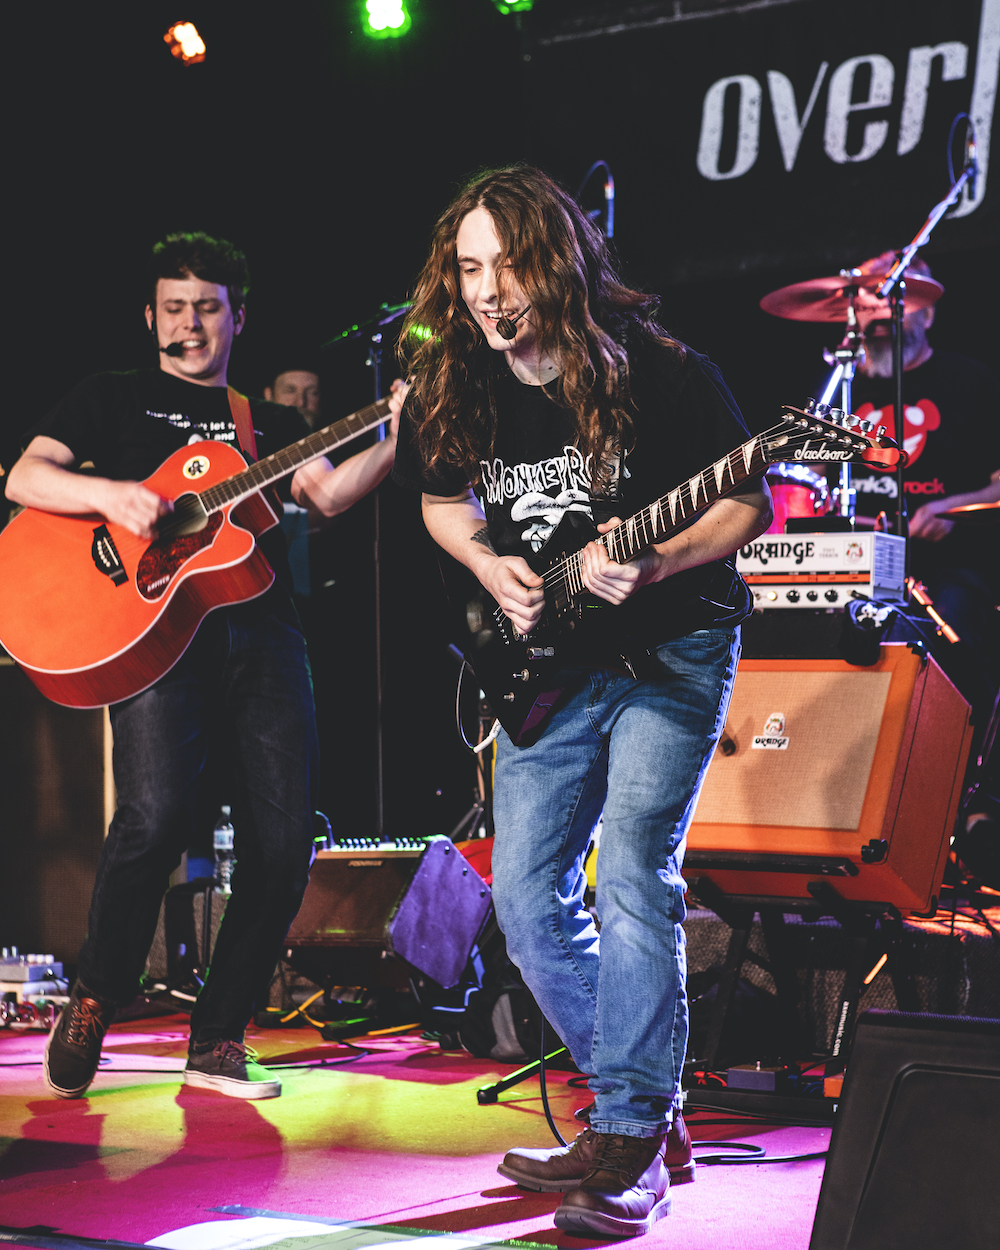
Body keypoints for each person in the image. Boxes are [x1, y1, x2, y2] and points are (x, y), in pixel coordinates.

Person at [390, 167, 772, 1238]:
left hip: (671, 648)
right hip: (548, 667)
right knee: (523, 899)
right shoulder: (454, 380)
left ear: (553, 264)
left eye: (507, 267)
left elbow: (747, 496)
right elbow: (436, 500)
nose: (487, 293)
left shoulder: (657, 368)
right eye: (468, 270)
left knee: (637, 873)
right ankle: (641, 1110)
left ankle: (633, 1134)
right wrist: (488, 563)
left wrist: (651, 566)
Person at [6, 231, 398, 1101]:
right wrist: (112, 495)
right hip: (149, 628)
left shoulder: (262, 421)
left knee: (287, 836)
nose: (190, 324)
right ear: (149, 316)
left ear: (238, 317)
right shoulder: (106, 397)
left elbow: (327, 495)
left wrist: (396, 436)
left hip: (261, 630)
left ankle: (219, 1037)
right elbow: (28, 479)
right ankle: (95, 998)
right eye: (174, 307)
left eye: (208, 308)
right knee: (154, 816)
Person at [849, 251, 1000, 726]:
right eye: (868, 301)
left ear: (929, 311)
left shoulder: (972, 382)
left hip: (949, 567)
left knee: (935, 643)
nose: (880, 312)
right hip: (855, 567)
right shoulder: (839, 390)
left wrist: (949, 508)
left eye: (898, 298)